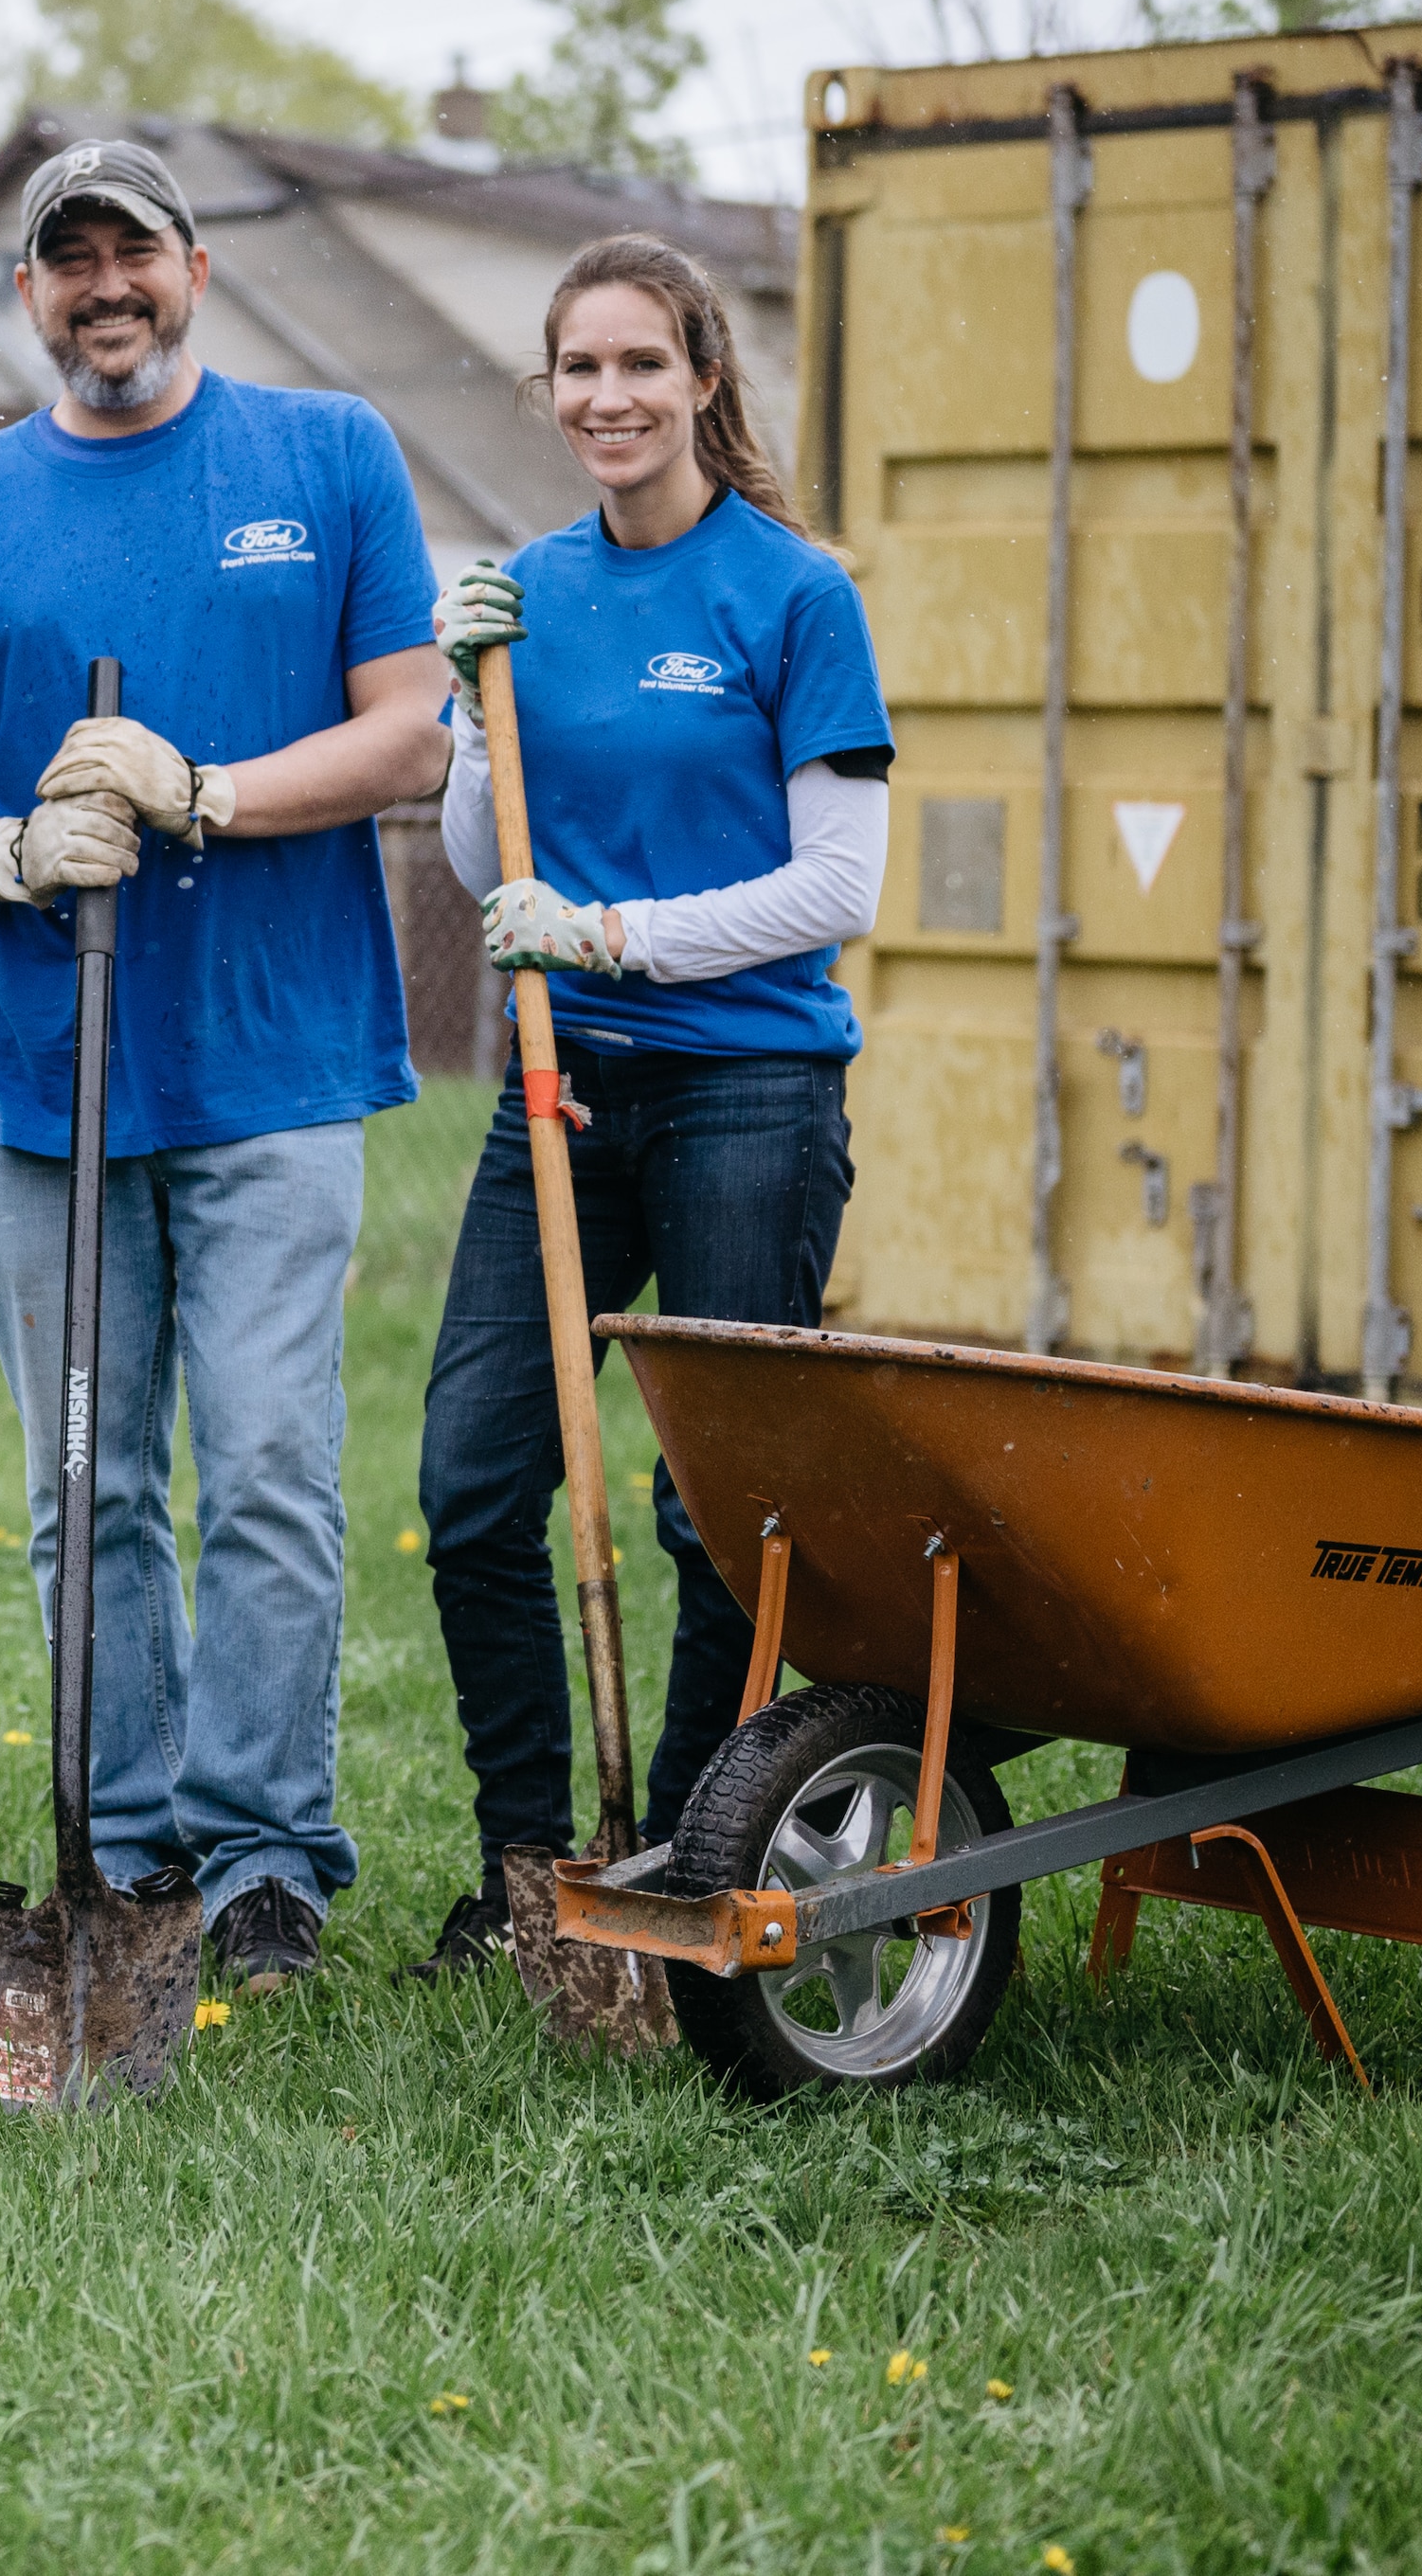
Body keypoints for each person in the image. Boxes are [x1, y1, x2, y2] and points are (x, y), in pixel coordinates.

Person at [0, 136, 450, 2001]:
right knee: (88, 1477)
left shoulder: (326, 455)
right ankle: (126, 1839)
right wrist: (19, 856)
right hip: (49, 1069)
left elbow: (411, 738)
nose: (102, 285)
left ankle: (263, 1849)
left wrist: (199, 791)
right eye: (66, 262)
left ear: (195, 268)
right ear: (28, 293)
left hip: (272, 1058)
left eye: (133, 252)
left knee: (270, 1463)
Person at [407, 230, 891, 1976]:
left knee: (714, 1507)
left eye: (640, 364)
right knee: (472, 1482)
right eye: (578, 369)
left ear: (701, 379)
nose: (608, 396)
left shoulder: (790, 594)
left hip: (750, 1090)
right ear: (547, 393)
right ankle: (529, 1870)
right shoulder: (530, 586)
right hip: (562, 1086)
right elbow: (484, 859)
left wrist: (614, 932)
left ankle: (686, 1858)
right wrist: (472, 713)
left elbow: (839, 883)